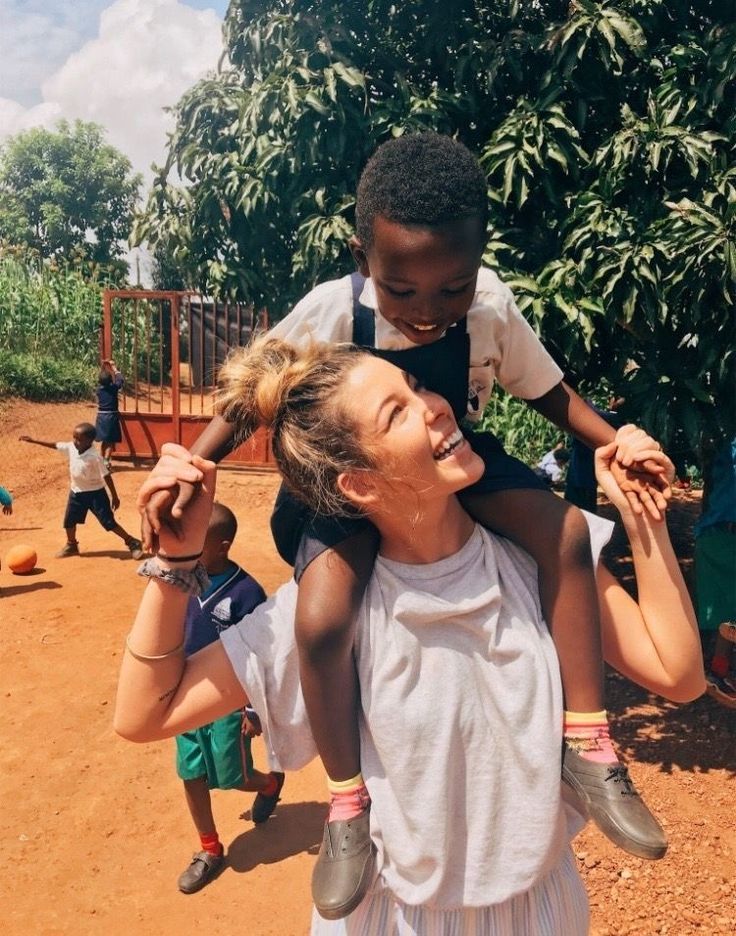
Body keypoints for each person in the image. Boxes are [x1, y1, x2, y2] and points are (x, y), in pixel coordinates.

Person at [141, 132, 672, 916]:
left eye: (451, 290)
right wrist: (195, 460)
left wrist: (613, 439)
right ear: (363, 257)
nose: (429, 313)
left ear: (479, 263)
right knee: (322, 619)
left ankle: (588, 743)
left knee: (563, 537)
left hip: (458, 457)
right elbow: (248, 390)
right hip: (351, 487)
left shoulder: (491, 305)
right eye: (402, 291)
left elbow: (547, 389)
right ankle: (349, 803)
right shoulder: (331, 306)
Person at [117, 339, 704, 933]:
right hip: (391, 918)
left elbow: (678, 676)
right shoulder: (324, 618)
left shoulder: (536, 562)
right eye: (396, 412)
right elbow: (144, 713)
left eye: (416, 386)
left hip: (541, 911)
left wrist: (642, 513)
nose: (435, 406)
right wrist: (174, 562)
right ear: (362, 485)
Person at [174, 501, 285, 894]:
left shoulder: (246, 592)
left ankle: (269, 784)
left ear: (221, 546)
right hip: (186, 699)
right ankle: (209, 848)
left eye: (197, 542)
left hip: (228, 701)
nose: (188, 548)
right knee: (191, 773)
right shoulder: (185, 577)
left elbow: (262, 654)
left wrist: (253, 708)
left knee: (231, 777)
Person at [19, 423, 143, 559]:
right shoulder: (71, 447)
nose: (75, 441)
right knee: (69, 521)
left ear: (89, 441)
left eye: (79, 439)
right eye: (74, 437)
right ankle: (71, 545)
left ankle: (132, 542)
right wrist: (34, 441)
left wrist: (115, 496)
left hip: (96, 494)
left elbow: (106, 476)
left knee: (108, 522)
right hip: (76, 492)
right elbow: (55, 445)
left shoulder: (94, 457)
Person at [694, 438, 736, 706]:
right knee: (724, 611)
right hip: (722, 536)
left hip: (715, 535)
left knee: (725, 612)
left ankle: (717, 672)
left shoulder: (727, 446)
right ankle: (712, 672)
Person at [565, 397, 625, 514]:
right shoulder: (603, 419)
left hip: (582, 475)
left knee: (580, 508)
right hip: (584, 474)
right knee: (582, 508)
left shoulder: (598, 418)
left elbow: (598, 415)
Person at [96, 359, 124, 469]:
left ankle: (102, 461)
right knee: (110, 441)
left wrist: (103, 367)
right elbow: (120, 380)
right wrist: (114, 368)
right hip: (111, 416)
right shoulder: (113, 389)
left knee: (104, 440)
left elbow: (103, 379)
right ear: (111, 381)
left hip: (101, 416)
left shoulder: (99, 390)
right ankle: (106, 462)